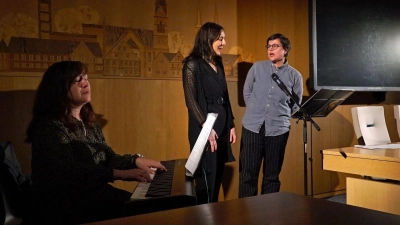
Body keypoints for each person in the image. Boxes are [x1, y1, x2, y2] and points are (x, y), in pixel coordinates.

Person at [23, 61, 167, 224]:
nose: (85, 83)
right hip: (63, 206)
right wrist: (119, 174)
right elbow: (68, 173)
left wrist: (135, 160)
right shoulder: (50, 126)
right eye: (78, 80)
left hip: (92, 195)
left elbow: (108, 157)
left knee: (152, 206)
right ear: (59, 88)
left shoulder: (89, 124)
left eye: (86, 77)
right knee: (143, 212)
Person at [238, 33, 303, 198]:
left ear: (285, 50)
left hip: (278, 130)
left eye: (275, 46)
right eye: (269, 46)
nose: (271, 49)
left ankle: (268, 215)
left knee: (272, 176)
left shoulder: (295, 76)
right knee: (248, 174)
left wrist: (280, 116)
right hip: (253, 127)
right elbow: (247, 92)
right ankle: (244, 215)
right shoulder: (257, 68)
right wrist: (254, 108)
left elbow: (295, 104)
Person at [182, 22, 236, 204]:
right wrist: (206, 128)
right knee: (206, 177)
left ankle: (213, 214)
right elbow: (191, 100)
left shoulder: (217, 63)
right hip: (203, 126)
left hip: (221, 126)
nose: (224, 42)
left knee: (217, 174)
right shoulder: (192, 64)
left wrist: (231, 124)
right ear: (208, 39)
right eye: (220, 39)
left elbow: (225, 96)